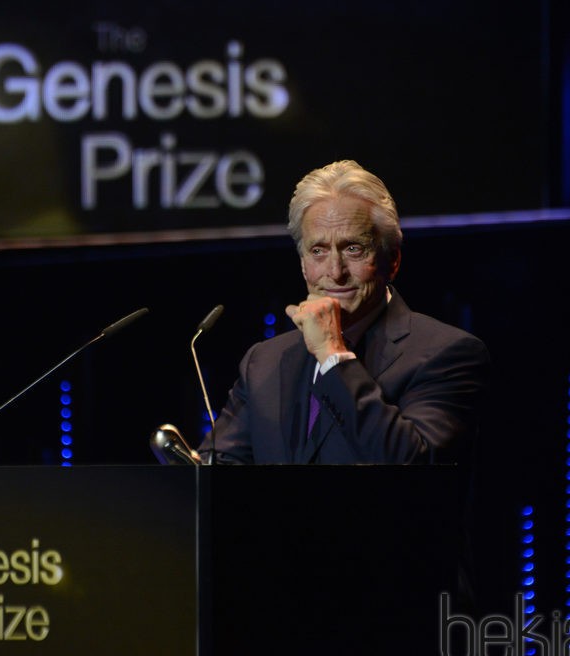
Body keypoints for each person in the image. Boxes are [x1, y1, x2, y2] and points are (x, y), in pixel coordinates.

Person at [201, 159, 490, 465]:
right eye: (318, 251)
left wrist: (332, 355)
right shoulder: (264, 361)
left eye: (353, 248)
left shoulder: (447, 353)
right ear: (302, 264)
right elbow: (217, 473)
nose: (335, 272)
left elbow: (412, 464)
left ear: (392, 260)